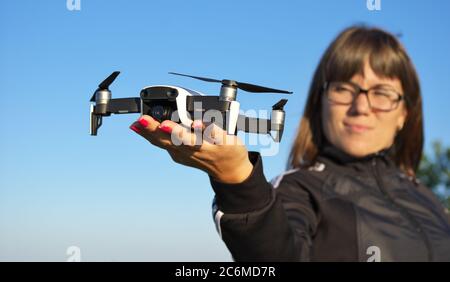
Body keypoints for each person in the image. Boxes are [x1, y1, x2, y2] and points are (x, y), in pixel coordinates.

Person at [129, 26, 450, 261]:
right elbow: (276, 252)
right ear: (320, 102)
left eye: (381, 93)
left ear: (404, 114)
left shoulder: (429, 201)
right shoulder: (298, 191)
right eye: (344, 89)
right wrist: (238, 181)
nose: (361, 106)